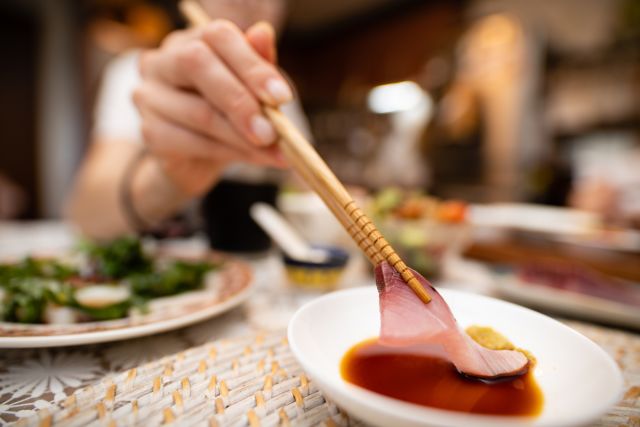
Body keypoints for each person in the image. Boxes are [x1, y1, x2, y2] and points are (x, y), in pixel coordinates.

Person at [67, 0, 310, 240]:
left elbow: (309, 191)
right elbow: (87, 217)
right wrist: (166, 179)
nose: (248, 2)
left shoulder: (279, 88)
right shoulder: (138, 71)